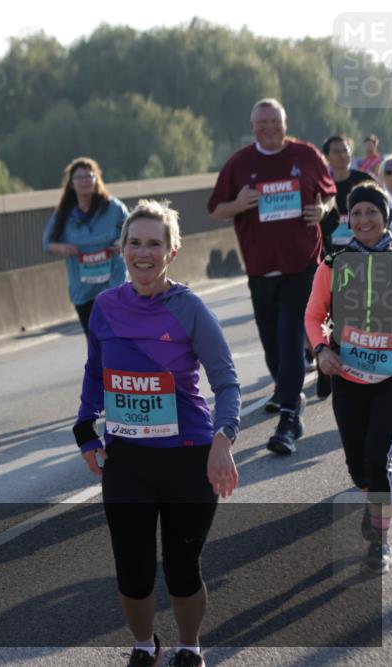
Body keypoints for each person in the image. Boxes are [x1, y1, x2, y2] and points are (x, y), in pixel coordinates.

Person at [73, 199, 240, 667]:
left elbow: (226, 383)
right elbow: (94, 374)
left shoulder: (189, 309)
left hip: (188, 456)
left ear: (172, 252)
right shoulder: (105, 307)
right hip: (128, 460)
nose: (142, 253)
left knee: (183, 569)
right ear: (121, 249)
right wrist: (86, 432)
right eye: (134, 242)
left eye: (153, 244)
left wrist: (222, 443)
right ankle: (145, 645)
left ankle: (190, 646)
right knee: (133, 568)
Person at [207, 98, 335, 455]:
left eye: (275, 121)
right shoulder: (240, 163)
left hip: (303, 264)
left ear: (285, 122)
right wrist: (240, 204)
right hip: (261, 270)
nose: (269, 127)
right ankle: (294, 391)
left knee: (290, 338)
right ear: (253, 127)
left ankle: (289, 418)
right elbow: (215, 209)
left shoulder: (306, 155)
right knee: (272, 348)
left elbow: (330, 194)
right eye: (262, 122)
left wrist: (321, 209)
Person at [305, 182, 392, 573]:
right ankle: (370, 500)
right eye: (357, 213)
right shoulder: (332, 264)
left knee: (378, 461)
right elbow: (312, 317)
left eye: (372, 212)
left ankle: (379, 543)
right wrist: (321, 350)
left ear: (386, 217)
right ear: (348, 218)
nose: (364, 220)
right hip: (347, 375)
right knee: (358, 467)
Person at [42, 157, 128, 339]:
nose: (85, 181)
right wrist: (63, 248)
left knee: (116, 336)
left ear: (97, 180)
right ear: (71, 184)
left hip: (113, 284)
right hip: (83, 289)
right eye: (79, 178)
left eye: (89, 176)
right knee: (95, 340)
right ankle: (102, 367)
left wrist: (123, 243)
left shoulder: (113, 208)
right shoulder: (64, 215)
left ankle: (120, 366)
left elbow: (134, 232)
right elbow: (47, 244)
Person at [316, 136, 375, 398]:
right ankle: (324, 369)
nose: (342, 155)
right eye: (336, 151)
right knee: (327, 316)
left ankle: (363, 366)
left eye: (346, 151)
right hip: (331, 259)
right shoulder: (322, 184)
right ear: (327, 156)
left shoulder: (364, 180)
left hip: (362, 258)